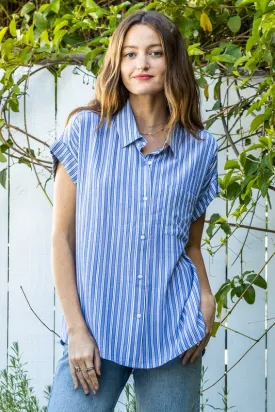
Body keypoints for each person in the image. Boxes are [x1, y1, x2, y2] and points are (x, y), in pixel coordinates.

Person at [47, 9, 220, 412]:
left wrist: (206, 297)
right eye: (129, 54)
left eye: (154, 53)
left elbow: (190, 245)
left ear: (172, 61)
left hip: (172, 333)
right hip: (96, 332)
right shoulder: (86, 133)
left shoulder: (201, 149)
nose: (141, 64)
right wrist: (76, 330)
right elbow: (62, 237)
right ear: (117, 63)